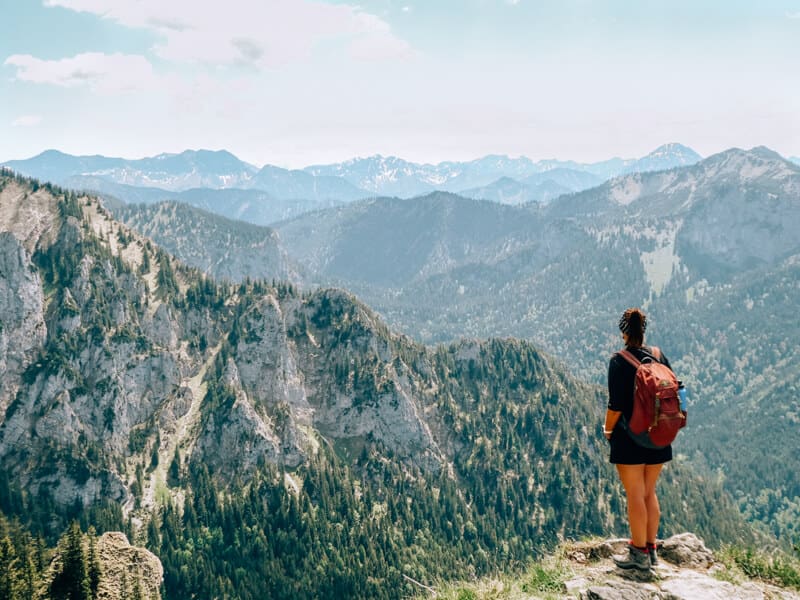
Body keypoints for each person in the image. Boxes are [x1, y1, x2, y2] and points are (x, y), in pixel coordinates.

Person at [603, 307, 675, 571]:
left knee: (635, 494)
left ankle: (638, 553)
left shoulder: (619, 361)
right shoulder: (658, 356)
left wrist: (608, 430)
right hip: (659, 435)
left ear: (623, 332)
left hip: (630, 437)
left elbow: (616, 406)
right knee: (649, 492)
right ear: (643, 331)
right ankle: (652, 549)